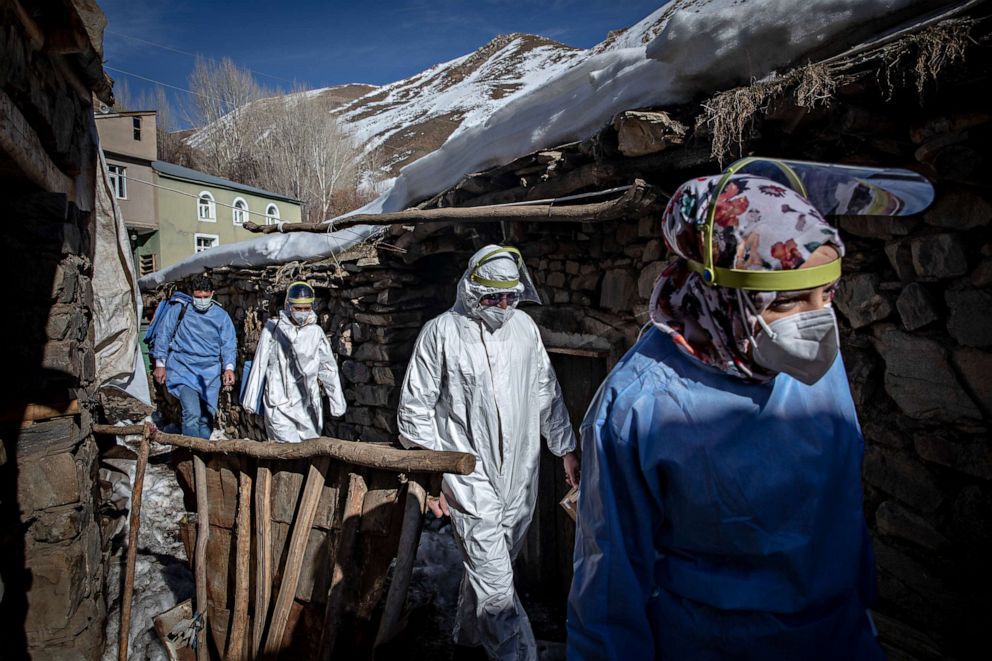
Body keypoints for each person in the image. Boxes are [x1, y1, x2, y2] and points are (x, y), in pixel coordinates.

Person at [567, 173, 884, 660]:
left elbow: (841, 503)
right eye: (786, 301)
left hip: (841, 635)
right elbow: (609, 583)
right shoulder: (638, 406)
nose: (817, 322)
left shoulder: (815, 360)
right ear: (720, 293)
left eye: (828, 294)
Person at [397, 244, 580, 661]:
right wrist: (434, 474)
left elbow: (544, 392)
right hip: (468, 476)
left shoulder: (524, 330)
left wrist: (565, 447)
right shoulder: (441, 333)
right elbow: (414, 411)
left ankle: (466, 642)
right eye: (493, 297)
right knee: (497, 585)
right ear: (471, 289)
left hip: (520, 473)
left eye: (510, 297)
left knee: (492, 570)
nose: (502, 305)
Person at [242, 281, 346, 442]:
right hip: (279, 403)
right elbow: (260, 363)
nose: (302, 313)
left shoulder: (316, 333)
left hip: (308, 405)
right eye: (298, 308)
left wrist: (337, 402)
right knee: (285, 452)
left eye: (306, 308)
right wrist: (250, 400)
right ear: (289, 306)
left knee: (309, 451)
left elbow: (328, 368)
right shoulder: (273, 329)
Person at [150, 274, 236, 439]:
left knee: (207, 419)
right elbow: (164, 335)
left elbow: (229, 344)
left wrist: (229, 368)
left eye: (205, 297)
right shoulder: (180, 310)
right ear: (192, 295)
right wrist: (160, 364)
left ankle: (200, 458)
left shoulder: (221, 317)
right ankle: (192, 455)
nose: (201, 300)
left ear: (212, 294)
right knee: (192, 414)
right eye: (198, 297)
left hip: (209, 375)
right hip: (183, 370)